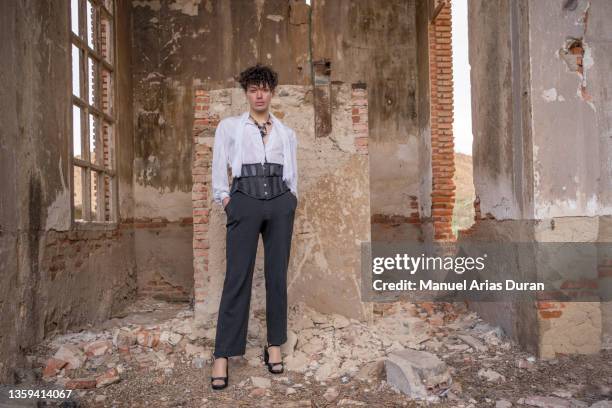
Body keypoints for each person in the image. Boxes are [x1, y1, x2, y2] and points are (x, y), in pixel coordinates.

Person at [209, 63, 299, 390]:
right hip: (244, 199)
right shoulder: (230, 127)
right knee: (237, 277)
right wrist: (226, 199)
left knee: (276, 276)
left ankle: (274, 345)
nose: (259, 94)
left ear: (272, 92)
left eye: (264, 89)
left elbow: (292, 175)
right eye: (253, 89)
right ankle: (223, 354)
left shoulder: (286, 132)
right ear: (246, 93)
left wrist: (290, 200)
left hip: (279, 202)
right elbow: (221, 168)